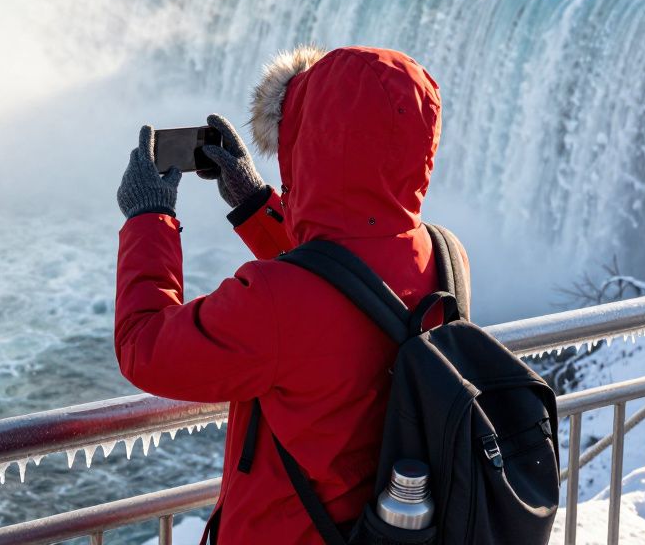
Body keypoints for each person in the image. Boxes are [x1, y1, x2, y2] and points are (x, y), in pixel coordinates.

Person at [114, 45, 467, 544]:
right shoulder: (445, 255)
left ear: (315, 143)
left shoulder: (274, 300)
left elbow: (144, 346)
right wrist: (258, 205)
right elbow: (345, 280)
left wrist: (148, 218)